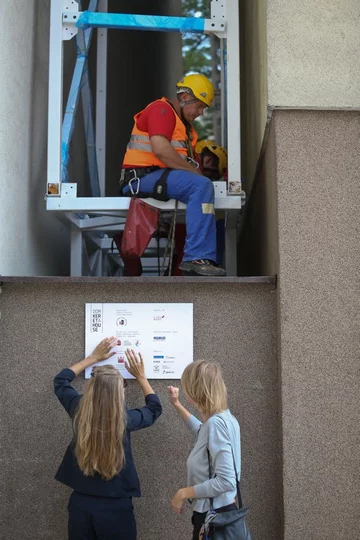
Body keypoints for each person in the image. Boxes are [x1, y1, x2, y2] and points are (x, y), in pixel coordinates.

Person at [119, 73, 226, 277]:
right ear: (185, 97)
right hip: (141, 177)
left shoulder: (183, 127)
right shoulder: (161, 110)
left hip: (157, 176)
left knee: (201, 186)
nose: (201, 113)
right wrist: (194, 172)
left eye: (204, 108)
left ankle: (198, 256)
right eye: (200, 106)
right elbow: (161, 150)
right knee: (201, 186)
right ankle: (196, 257)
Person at [54, 340, 162, 540]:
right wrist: (141, 377)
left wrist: (92, 358)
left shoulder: (78, 408)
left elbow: (61, 380)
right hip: (117, 507)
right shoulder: (127, 419)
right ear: (120, 390)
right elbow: (155, 409)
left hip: (80, 505)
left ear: (91, 388)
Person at [168, 360, 241, 540]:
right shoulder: (225, 419)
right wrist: (177, 405)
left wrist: (183, 493)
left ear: (196, 389)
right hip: (223, 512)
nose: (184, 390)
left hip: (213, 519)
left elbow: (226, 481)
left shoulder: (215, 424)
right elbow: (202, 431)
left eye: (186, 385)